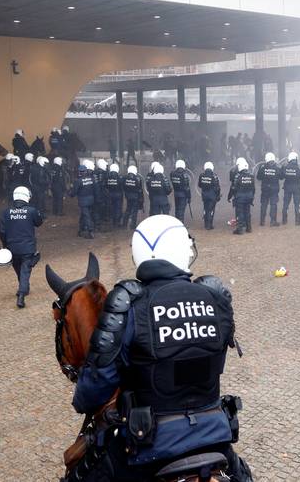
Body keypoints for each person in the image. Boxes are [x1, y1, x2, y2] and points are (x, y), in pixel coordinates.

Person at [69, 214, 252, 482]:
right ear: (182, 250)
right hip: (215, 438)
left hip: (148, 449)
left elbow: (93, 389)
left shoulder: (129, 304)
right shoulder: (215, 298)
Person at [0, 185, 43, 308]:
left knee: (19, 270)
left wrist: (5, 245)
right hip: (28, 248)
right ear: (26, 197)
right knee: (25, 270)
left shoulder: (6, 212)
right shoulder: (32, 211)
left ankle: (24, 287)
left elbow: (1, 231)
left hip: (12, 247)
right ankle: (21, 295)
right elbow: (39, 222)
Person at [70, 160, 96, 239]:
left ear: (79, 172)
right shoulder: (91, 179)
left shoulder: (78, 181)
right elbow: (95, 188)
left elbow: (74, 192)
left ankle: (90, 231)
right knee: (83, 215)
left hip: (83, 201)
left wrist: (69, 193)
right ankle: (81, 230)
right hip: (91, 200)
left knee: (86, 216)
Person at [228, 159, 255, 235]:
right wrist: (252, 197)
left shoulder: (238, 176)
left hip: (240, 197)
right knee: (247, 212)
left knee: (240, 212)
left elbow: (234, 188)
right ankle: (249, 228)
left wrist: (229, 196)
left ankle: (240, 229)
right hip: (249, 196)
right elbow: (253, 188)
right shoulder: (251, 175)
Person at [256, 152, 281, 227]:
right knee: (273, 204)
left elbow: (258, 177)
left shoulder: (262, 167)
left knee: (264, 204)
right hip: (274, 189)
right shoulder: (277, 168)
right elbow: (281, 177)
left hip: (265, 188)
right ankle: (273, 221)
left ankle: (262, 221)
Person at [281, 152, 300, 226]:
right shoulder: (299, 167)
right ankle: (298, 221)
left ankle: (284, 220)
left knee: (286, 204)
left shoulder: (285, 167)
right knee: (297, 204)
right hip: (296, 188)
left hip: (287, 187)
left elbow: (281, 176)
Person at [198, 161, 221, 230]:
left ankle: (205, 224)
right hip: (212, 195)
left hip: (204, 195)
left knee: (205, 209)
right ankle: (209, 225)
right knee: (211, 210)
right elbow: (217, 188)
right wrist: (218, 196)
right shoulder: (214, 176)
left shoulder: (201, 175)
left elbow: (199, 185)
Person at [122, 165, 144, 229]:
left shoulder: (125, 178)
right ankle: (133, 225)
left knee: (128, 209)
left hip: (128, 196)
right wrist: (141, 199)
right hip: (135, 197)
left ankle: (124, 223)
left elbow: (123, 186)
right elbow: (140, 189)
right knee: (134, 211)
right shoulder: (138, 178)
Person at [105, 163, 124, 229]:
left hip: (110, 194)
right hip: (118, 195)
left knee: (112, 208)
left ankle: (113, 221)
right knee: (118, 208)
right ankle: (117, 222)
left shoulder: (108, 178)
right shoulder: (119, 177)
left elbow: (106, 186)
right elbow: (122, 186)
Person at [94, 159, 109, 231]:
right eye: (105, 165)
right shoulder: (103, 173)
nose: (106, 167)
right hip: (101, 193)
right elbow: (103, 184)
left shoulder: (95, 172)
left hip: (98, 193)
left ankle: (99, 223)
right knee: (100, 208)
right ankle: (99, 224)